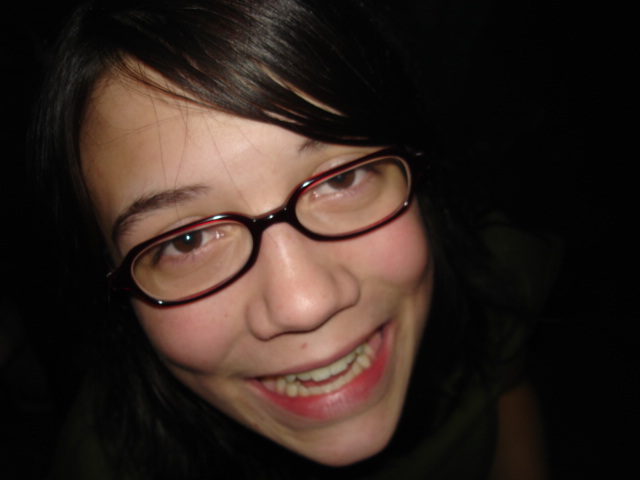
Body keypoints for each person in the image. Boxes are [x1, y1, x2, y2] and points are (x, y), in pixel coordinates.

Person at [31, 0, 549, 478]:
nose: (305, 305)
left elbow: (506, 386)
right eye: (188, 240)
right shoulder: (98, 465)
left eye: (341, 179)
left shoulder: (495, 271)